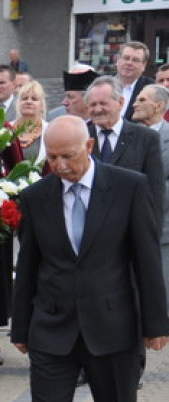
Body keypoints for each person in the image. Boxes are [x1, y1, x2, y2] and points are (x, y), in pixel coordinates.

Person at [10, 116, 169, 402]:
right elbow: (28, 266)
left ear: (90, 146)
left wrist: (156, 324)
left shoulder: (128, 187)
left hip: (114, 325)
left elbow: (146, 257)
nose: (60, 165)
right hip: (52, 327)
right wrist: (20, 325)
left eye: (68, 156)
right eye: (53, 156)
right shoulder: (36, 196)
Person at [85, 76, 164, 220]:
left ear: (120, 102)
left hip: (131, 228)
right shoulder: (81, 138)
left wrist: (151, 239)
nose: (97, 109)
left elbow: (155, 194)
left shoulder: (146, 139)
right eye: (92, 104)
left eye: (103, 103)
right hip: (90, 230)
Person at [130, 83, 169, 303]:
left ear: (160, 106)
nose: (135, 103)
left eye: (143, 100)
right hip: (127, 228)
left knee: (160, 299)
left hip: (161, 230)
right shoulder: (128, 135)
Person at [116, 41, 153, 122]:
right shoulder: (103, 84)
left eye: (135, 60)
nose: (129, 63)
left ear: (144, 66)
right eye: (126, 58)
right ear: (118, 60)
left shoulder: (151, 88)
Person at [14, 79, 48, 165]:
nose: (28, 102)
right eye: (24, 98)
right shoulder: (6, 129)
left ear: (42, 105)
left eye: (34, 99)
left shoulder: (50, 130)